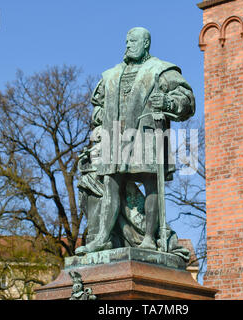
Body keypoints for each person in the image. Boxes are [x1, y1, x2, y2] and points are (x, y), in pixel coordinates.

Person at [75, 27, 195, 255]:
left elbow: (187, 99)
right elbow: (97, 107)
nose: (128, 45)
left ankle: (150, 238)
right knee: (111, 183)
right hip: (115, 137)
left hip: (146, 134)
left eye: (133, 41)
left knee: (151, 184)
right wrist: (100, 116)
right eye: (126, 41)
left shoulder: (161, 70)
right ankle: (103, 238)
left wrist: (168, 103)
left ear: (146, 44)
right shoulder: (111, 75)